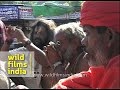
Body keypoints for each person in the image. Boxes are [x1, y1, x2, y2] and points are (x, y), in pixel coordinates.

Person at [52, 1, 120, 89]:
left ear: (109, 36)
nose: (83, 41)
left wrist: (56, 63)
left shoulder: (115, 70)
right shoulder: (101, 68)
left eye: (87, 33)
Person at [41, 22, 89, 88]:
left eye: (59, 43)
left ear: (75, 42)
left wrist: (56, 64)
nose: (57, 48)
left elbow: (67, 86)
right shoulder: (68, 64)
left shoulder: (85, 59)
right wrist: (53, 64)